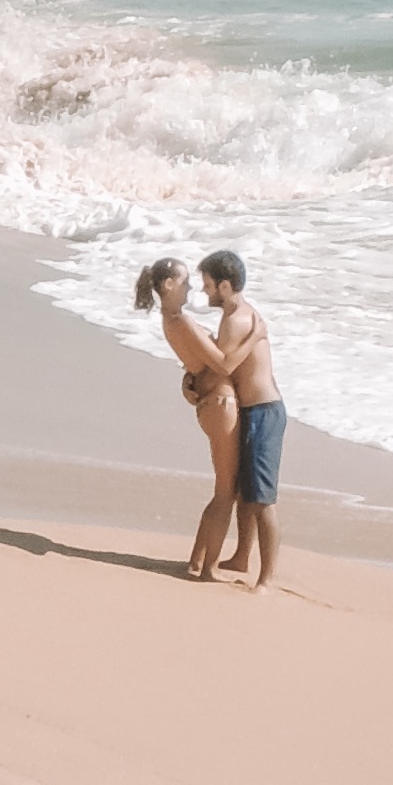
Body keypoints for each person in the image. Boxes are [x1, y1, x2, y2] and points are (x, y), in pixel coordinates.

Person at [149, 248, 285, 585]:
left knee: (256, 498)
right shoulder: (225, 320)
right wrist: (192, 380)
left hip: (261, 410)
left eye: (208, 284)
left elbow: (221, 365)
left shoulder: (236, 320)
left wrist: (195, 380)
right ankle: (228, 560)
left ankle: (259, 576)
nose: (201, 290)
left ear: (224, 286)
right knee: (238, 492)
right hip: (241, 408)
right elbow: (217, 366)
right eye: (195, 284)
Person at [130, 258, 246, 560]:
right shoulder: (180, 320)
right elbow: (221, 363)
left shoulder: (170, 320)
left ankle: (198, 559)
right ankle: (206, 567)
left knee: (224, 491)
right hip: (221, 404)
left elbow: (196, 363)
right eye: (185, 281)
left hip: (211, 403)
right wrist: (257, 336)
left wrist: (189, 378)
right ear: (169, 285)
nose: (191, 286)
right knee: (225, 494)